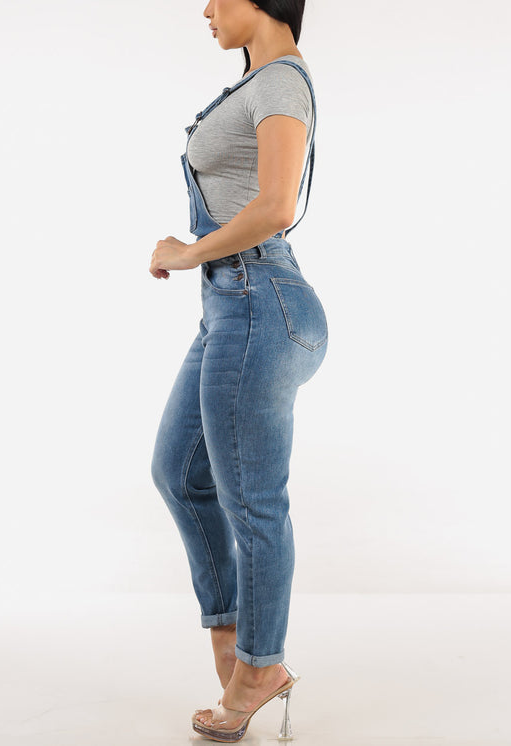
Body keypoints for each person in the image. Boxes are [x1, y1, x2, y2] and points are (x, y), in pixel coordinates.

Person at [149, 0, 328, 741]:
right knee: (178, 471)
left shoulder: (281, 80)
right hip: (232, 306)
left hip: (260, 303)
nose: (205, 9)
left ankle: (261, 666)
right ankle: (234, 646)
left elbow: (276, 205)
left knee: (253, 502)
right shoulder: (256, 83)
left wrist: (187, 250)